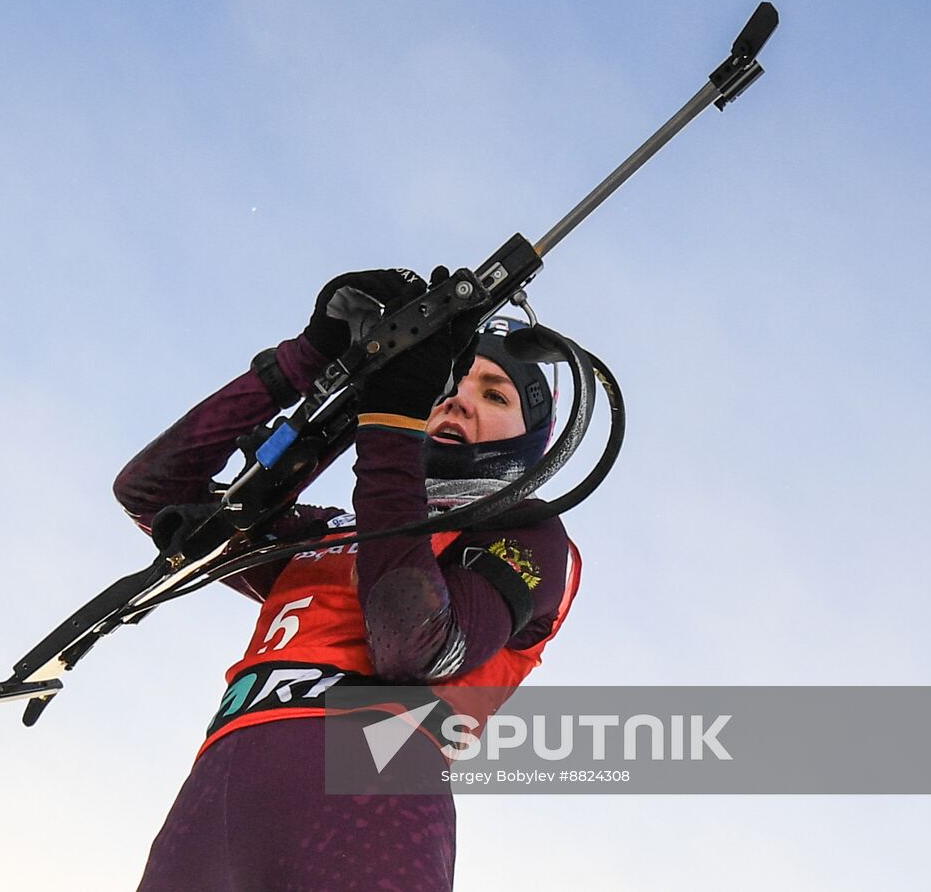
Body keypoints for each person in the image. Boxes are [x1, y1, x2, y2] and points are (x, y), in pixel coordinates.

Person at [114, 268, 581, 891]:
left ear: (530, 439)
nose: (459, 400)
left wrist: (390, 417)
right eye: (448, 385)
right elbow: (152, 493)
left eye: (495, 396)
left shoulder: (529, 532)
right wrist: (306, 359)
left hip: (371, 793)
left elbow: (413, 648)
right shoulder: (338, 530)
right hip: (214, 789)